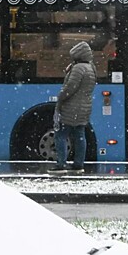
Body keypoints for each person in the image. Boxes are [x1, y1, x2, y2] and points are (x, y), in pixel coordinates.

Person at [49, 41, 96, 174]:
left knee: (60, 134)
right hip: (84, 108)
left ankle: (61, 164)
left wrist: (60, 97)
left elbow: (70, 88)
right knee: (79, 135)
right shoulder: (91, 67)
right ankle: (78, 164)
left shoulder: (78, 68)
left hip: (71, 107)